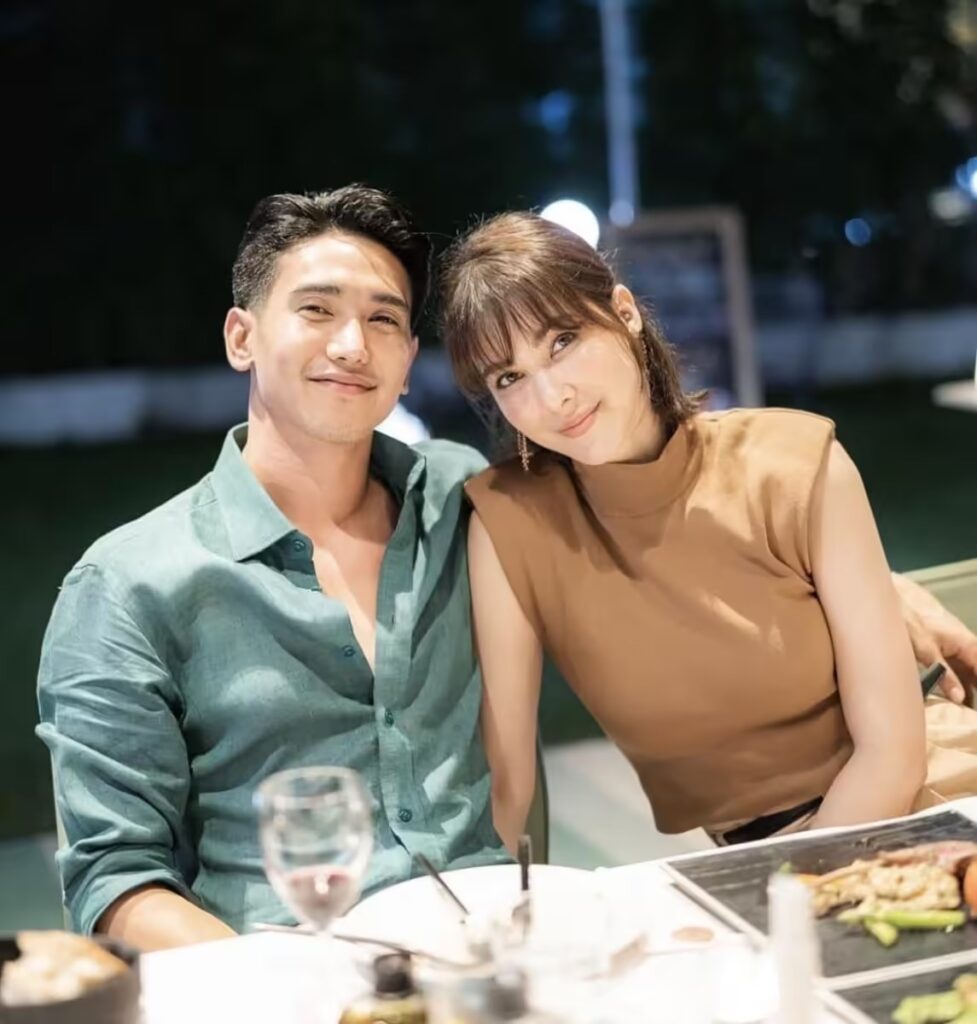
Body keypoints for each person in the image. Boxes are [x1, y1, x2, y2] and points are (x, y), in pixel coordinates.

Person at [36, 186, 508, 951]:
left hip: (491, 952)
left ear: (406, 363)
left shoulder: (460, 498)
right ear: (241, 338)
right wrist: (280, 985)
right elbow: (115, 878)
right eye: (317, 310)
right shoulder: (128, 585)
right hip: (281, 970)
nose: (352, 345)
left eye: (383, 319)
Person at [439, 210, 977, 852]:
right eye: (510, 377)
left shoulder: (792, 464)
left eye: (563, 341)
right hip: (774, 860)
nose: (552, 396)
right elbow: (507, 787)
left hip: (928, 810)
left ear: (624, 312)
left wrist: (789, 890)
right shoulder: (510, 525)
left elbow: (892, 755)